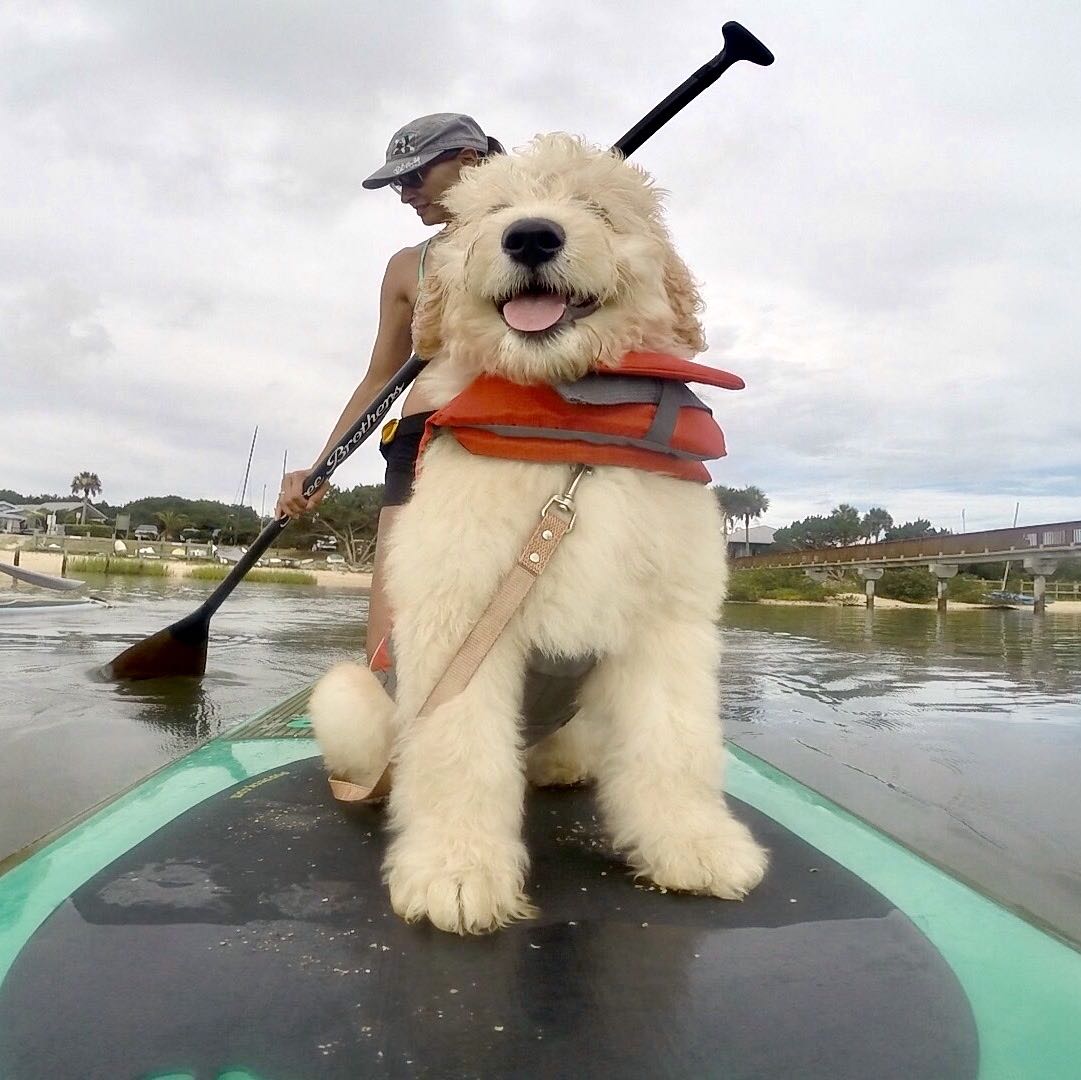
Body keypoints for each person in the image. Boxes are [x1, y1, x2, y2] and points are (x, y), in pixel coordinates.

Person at [276, 113, 504, 656]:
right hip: (422, 440)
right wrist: (322, 464)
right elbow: (381, 377)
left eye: (414, 178)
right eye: (397, 184)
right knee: (392, 622)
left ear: (467, 161)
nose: (404, 196)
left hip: (519, 437)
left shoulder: (539, 230)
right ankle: (386, 714)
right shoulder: (407, 267)